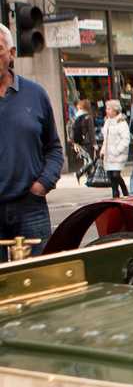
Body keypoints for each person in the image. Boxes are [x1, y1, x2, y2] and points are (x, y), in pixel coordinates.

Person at [0, 23, 62, 257]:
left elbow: (54, 148)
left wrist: (43, 184)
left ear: (12, 53)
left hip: (30, 207)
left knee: (36, 277)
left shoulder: (35, 94)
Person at [100, 99, 131, 198]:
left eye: (109, 109)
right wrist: (103, 150)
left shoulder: (121, 123)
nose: (107, 111)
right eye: (107, 108)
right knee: (111, 177)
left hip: (118, 154)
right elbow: (106, 138)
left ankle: (125, 191)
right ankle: (115, 195)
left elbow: (126, 139)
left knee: (116, 175)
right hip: (108, 155)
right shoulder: (107, 122)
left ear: (115, 110)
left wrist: (117, 150)